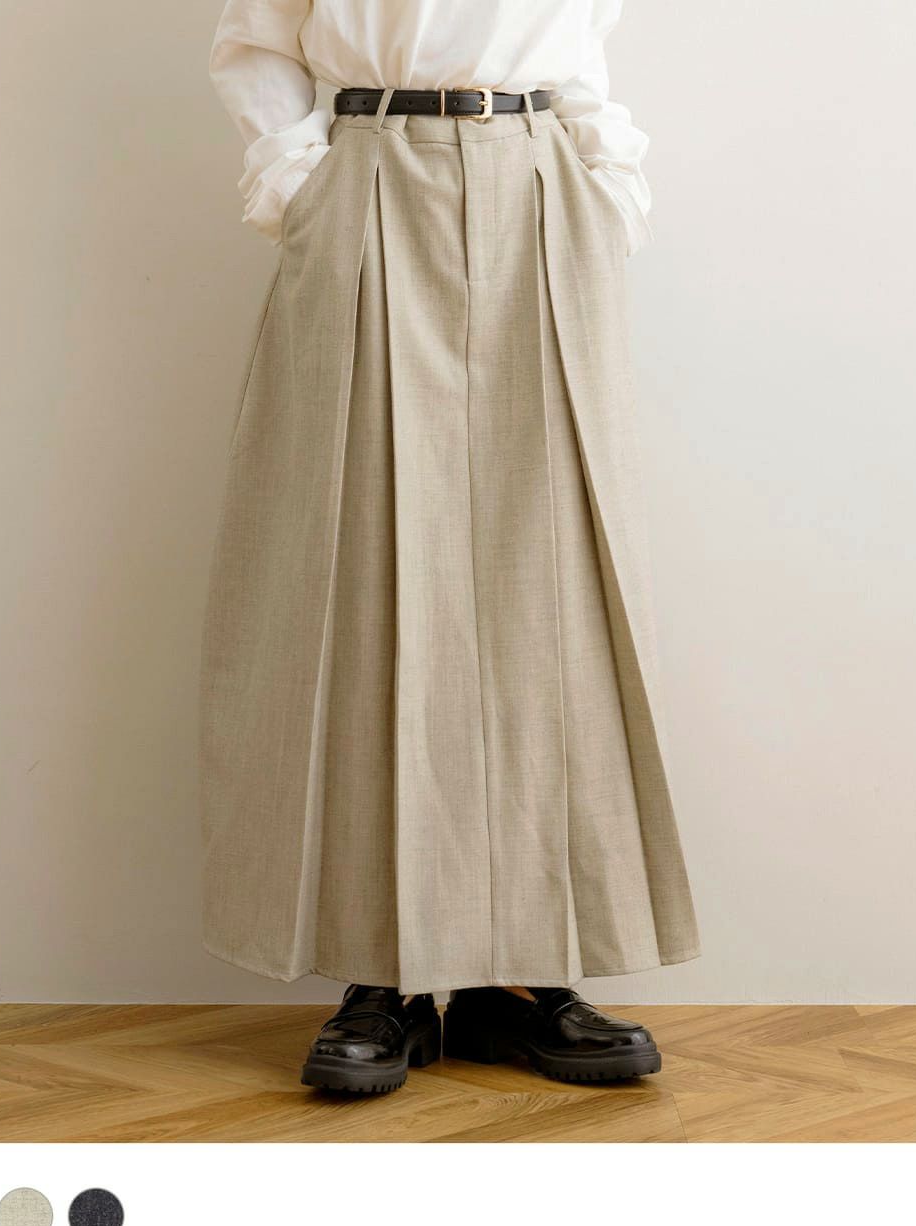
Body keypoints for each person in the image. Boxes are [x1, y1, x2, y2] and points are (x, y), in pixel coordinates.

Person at [201, 0, 700, 1095]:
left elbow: (580, 43)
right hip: (368, 177)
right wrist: (302, 188)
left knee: (551, 596)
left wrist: (606, 185)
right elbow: (256, 42)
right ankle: (380, 974)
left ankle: (519, 975)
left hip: (541, 187)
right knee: (364, 579)